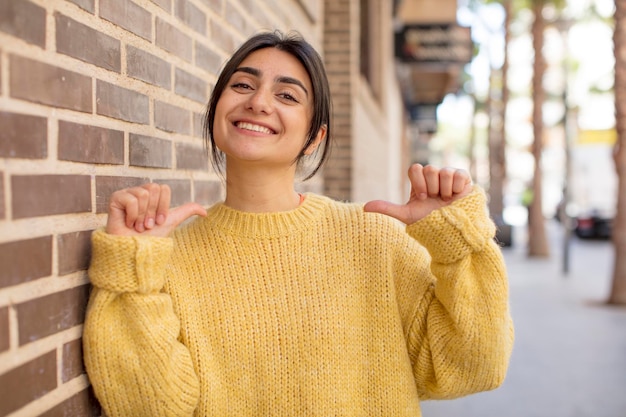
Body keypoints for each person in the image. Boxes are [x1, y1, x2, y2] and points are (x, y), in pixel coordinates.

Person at [83, 30, 514, 416]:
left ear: (315, 137)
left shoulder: (374, 239)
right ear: (217, 110)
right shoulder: (169, 256)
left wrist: (458, 245)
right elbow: (150, 406)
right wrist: (133, 272)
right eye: (243, 85)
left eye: (287, 96)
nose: (259, 101)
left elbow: (473, 366)